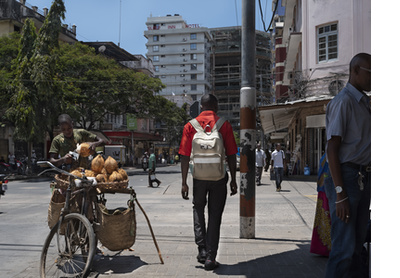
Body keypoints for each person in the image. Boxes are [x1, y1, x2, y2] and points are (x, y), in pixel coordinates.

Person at [324, 53, 371, 278]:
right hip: (347, 177)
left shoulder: (365, 103)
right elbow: (332, 148)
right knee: (343, 249)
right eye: (370, 73)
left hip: (362, 177)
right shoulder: (344, 101)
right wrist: (340, 193)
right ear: (355, 71)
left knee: (356, 246)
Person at [179, 94, 237, 271]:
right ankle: (210, 258)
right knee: (215, 216)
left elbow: (184, 155)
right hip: (219, 178)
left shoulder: (190, 126)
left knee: (198, 209)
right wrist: (234, 179)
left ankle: (202, 249)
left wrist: (183, 182)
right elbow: (232, 154)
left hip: (199, 178)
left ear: (201, 107)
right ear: (216, 106)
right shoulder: (223, 125)